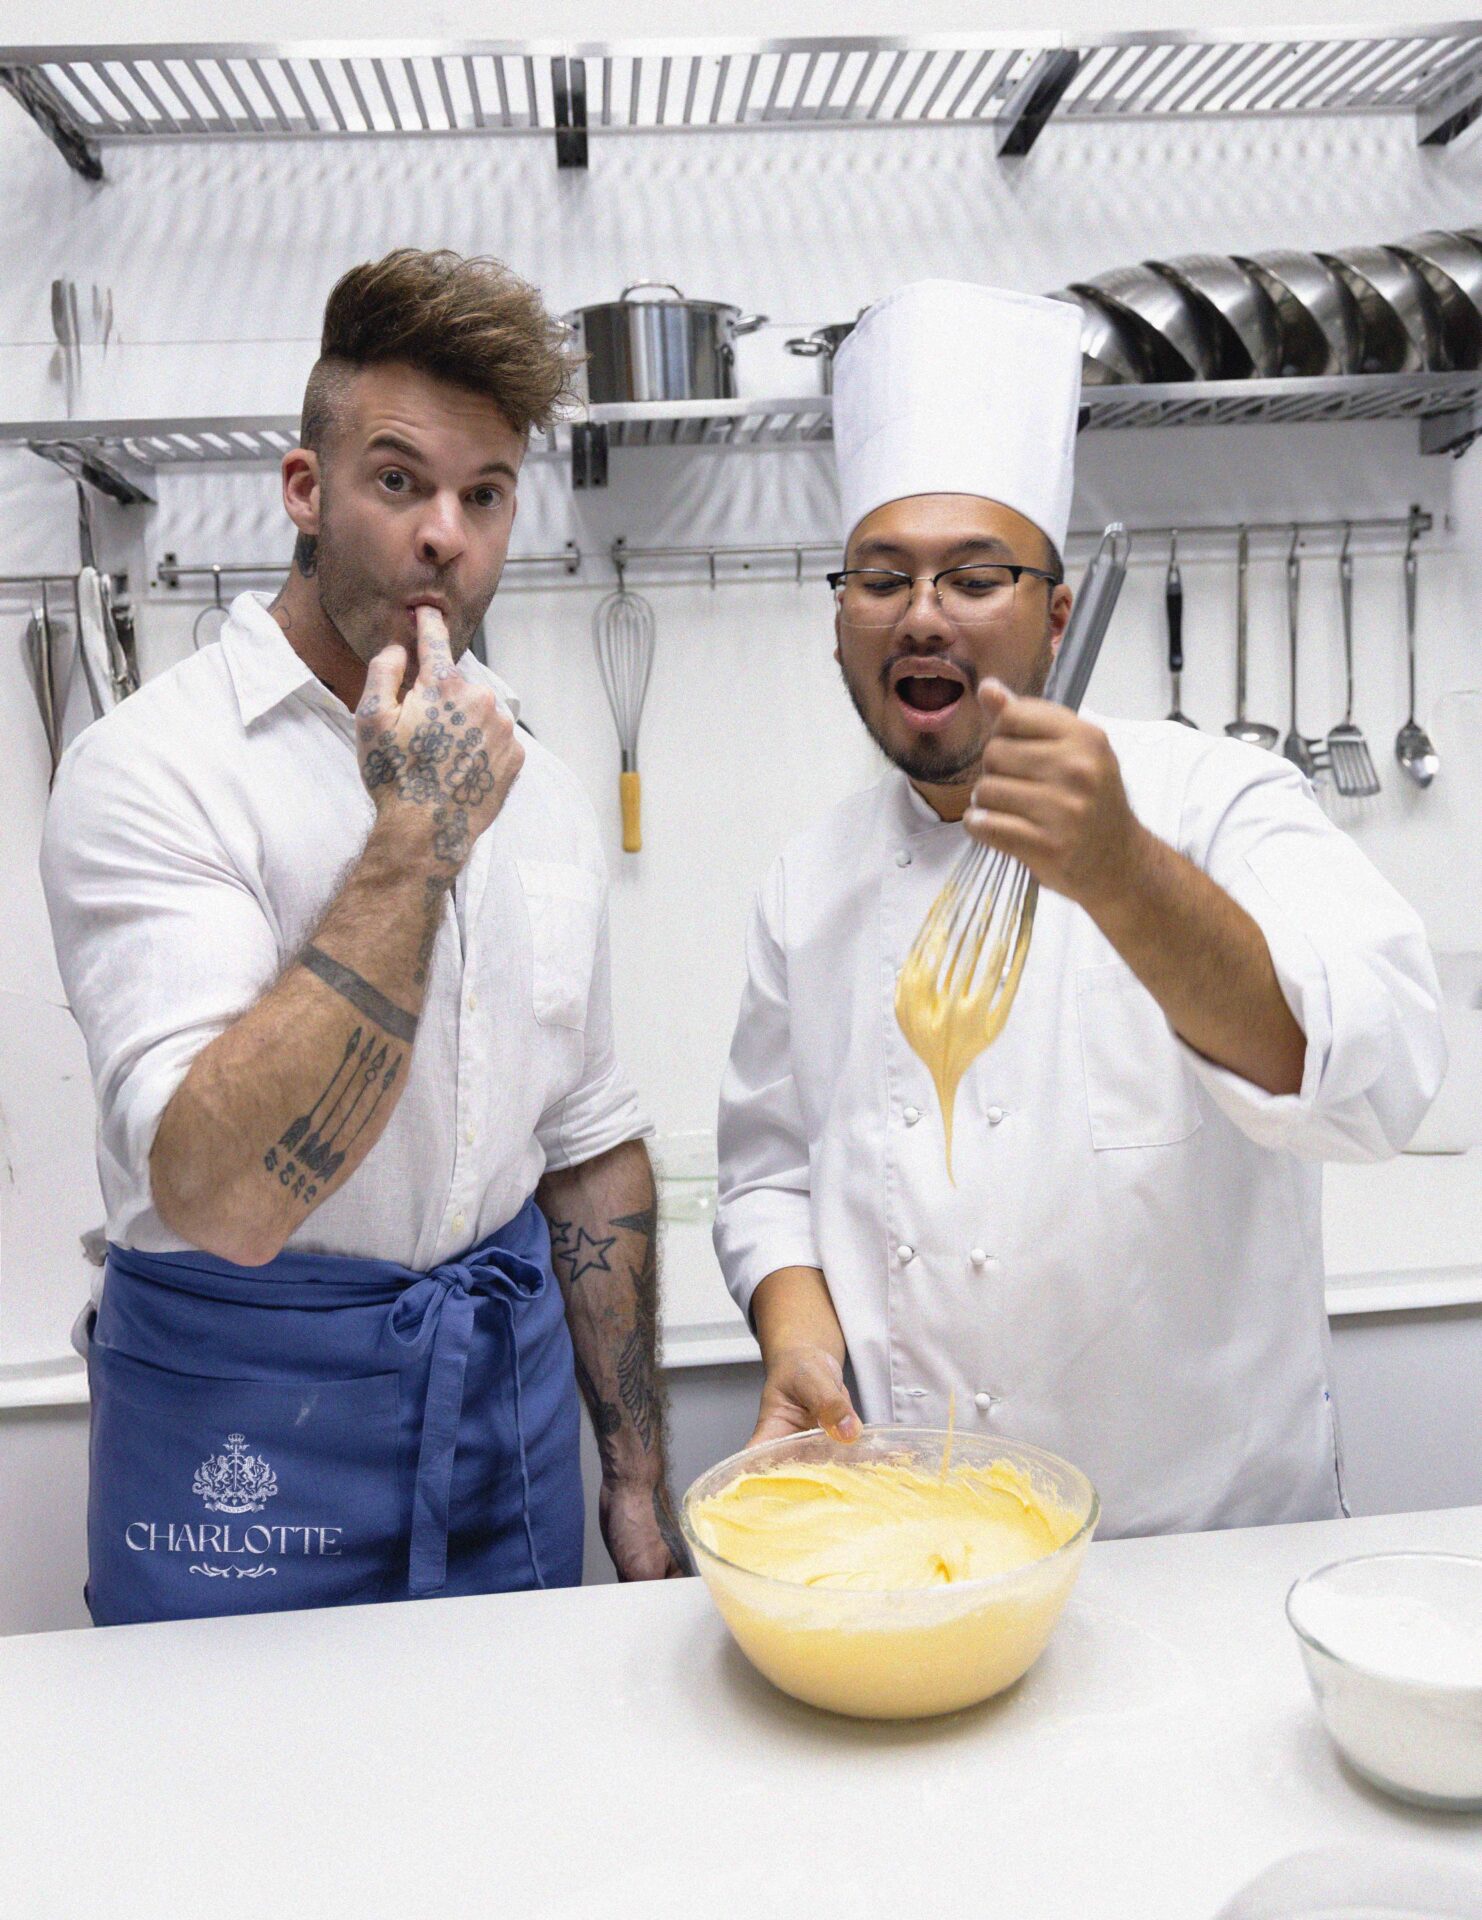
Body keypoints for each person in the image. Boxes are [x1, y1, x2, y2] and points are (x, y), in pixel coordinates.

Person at [713, 279, 1444, 1537]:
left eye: (974, 575)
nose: (924, 613)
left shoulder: (1214, 799)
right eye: (882, 578)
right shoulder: (810, 884)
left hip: (1206, 1554)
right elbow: (767, 1173)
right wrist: (795, 1328)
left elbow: (1376, 1077)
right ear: (840, 624)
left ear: (1056, 614)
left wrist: (1120, 871)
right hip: (926, 1550)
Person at [42, 248, 685, 1625]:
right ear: (306, 490)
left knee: (504, 1819)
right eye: (398, 481)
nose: (444, 532)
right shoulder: (152, 771)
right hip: (239, 1448)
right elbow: (222, 1198)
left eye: (485, 494)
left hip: (505, 1434)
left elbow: (585, 1151)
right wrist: (416, 841)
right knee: (232, 1822)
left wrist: (632, 1483)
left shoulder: (544, 787)